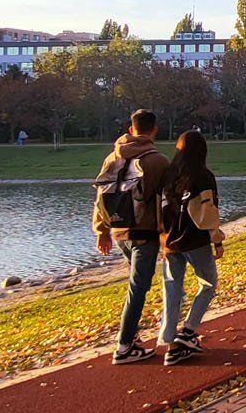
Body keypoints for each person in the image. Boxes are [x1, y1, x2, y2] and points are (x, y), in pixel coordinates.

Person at [93, 109, 170, 365]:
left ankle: (131, 339)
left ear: (130, 128)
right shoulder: (157, 160)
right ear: (154, 129)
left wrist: (101, 230)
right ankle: (124, 346)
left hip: (119, 231)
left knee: (137, 283)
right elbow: (170, 201)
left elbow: (101, 197)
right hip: (144, 232)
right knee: (138, 287)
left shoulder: (111, 158)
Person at [158, 129, 224, 366]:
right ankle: (187, 331)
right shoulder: (203, 177)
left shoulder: (168, 176)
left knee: (172, 289)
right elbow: (208, 214)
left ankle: (170, 342)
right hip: (195, 241)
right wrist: (217, 239)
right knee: (208, 283)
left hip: (169, 242)